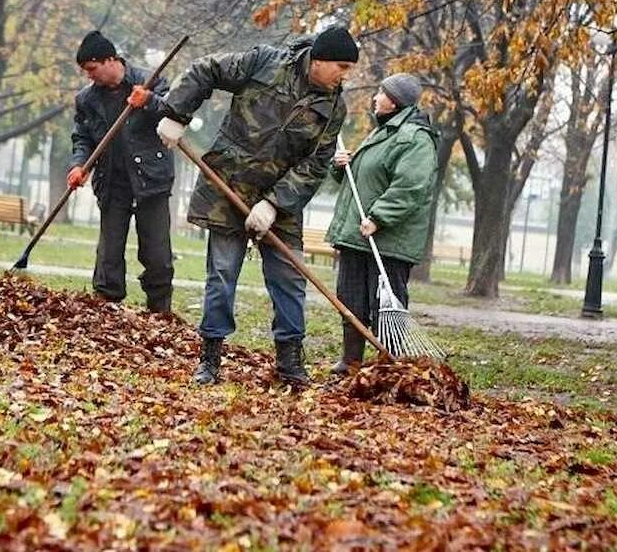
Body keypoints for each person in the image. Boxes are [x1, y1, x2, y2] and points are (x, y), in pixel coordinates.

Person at [154, 25, 359, 387]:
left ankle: (290, 364)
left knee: (290, 279)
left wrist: (274, 205)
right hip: (228, 186)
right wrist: (176, 113)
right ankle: (210, 358)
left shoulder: (333, 108)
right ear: (319, 59)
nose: (346, 75)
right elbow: (208, 69)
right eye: (342, 66)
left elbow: (315, 164)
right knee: (222, 274)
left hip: (281, 203)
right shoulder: (265, 63)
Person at [325, 73, 439, 373]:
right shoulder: (382, 132)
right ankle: (350, 362)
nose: (375, 97)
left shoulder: (414, 138)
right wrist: (343, 166)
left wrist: (379, 217)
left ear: (395, 101)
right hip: (357, 236)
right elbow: (364, 179)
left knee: (385, 304)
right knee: (351, 299)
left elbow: (411, 186)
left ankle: (387, 367)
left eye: (381, 92)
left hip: (387, 241)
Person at [68, 30, 175, 313]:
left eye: (92, 69)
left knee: (156, 253)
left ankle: (159, 311)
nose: (89, 76)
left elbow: (175, 113)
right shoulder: (87, 99)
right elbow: (82, 137)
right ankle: (106, 309)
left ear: (110, 60)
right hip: (112, 181)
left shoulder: (151, 82)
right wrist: (79, 165)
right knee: (109, 253)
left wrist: (150, 101)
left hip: (151, 180)